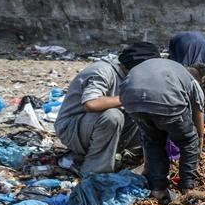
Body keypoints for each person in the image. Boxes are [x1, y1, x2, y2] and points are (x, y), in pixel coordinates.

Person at [54, 42, 158, 175]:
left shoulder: (130, 75)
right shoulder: (103, 71)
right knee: (113, 115)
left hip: (93, 128)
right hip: (71, 129)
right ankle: (94, 171)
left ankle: (119, 156)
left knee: (146, 110)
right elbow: (91, 103)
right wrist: (129, 99)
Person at [119, 57, 205, 203]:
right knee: (187, 140)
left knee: (153, 141)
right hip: (166, 99)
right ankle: (187, 189)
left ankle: (158, 189)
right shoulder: (191, 80)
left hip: (130, 98)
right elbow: (198, 110)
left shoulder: (171, 68)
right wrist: (199, 138)